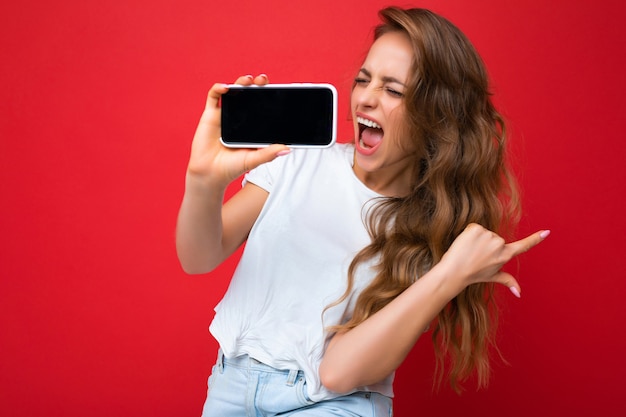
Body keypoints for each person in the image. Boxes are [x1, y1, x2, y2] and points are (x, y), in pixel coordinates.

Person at [176, 6, 549, 417]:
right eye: (363, 80)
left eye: (393, 90)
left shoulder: (433, 227)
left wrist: (449, 275)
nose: (366, 99)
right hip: (231, 385)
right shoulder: (296, 160)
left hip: (333, 404)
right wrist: (203, 180)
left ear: (436, 113)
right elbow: (199, 257)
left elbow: (336, 373)